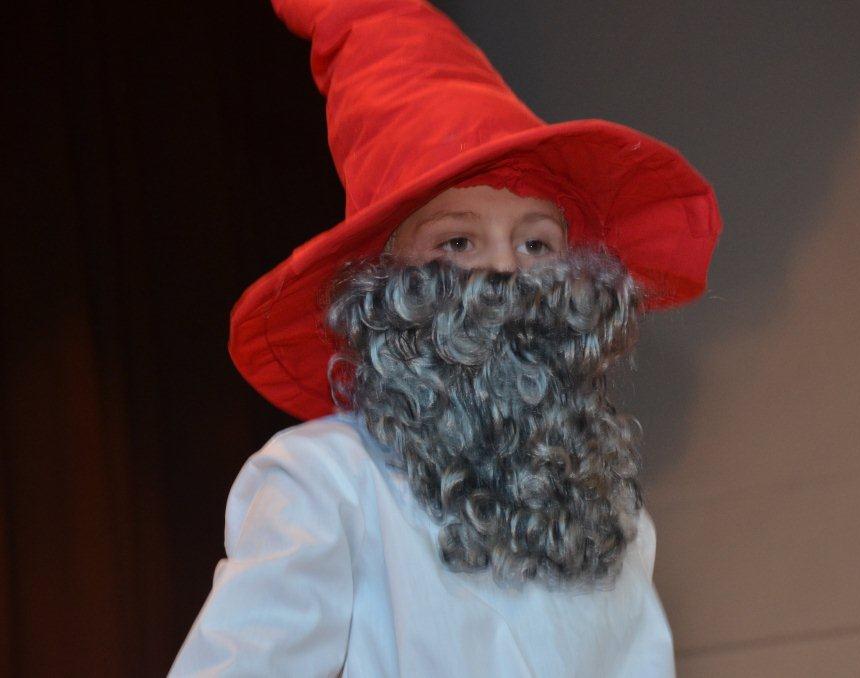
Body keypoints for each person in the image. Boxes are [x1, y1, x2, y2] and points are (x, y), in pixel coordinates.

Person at [170, 0, 722, 675]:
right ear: (385, 286)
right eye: (457, 242)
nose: (504, 270)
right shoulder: (328, 482)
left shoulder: (608, 517)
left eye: (537, 243)